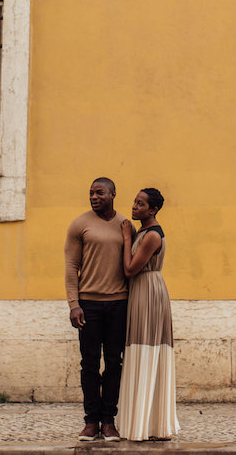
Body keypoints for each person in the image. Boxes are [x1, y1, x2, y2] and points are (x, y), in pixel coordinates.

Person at [64, 177, 128, 442]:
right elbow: (71, 267)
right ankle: (91, 422)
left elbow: (131, 265)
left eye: (99, 192)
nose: (93, 196)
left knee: (114, 363)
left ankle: (109, 422)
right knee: (89, 364)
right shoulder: (80, 224)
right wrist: (73, 304)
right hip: (88, 305)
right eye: (91, 193)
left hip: (119, 304)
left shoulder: (125, 225)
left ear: (113, 193)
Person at [115, 187, 179, 441]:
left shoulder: (152, 235)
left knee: (147, 350)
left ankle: (149, 425)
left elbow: (130, 269)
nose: (134, 206)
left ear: (152, 209)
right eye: (134, 201)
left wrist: (127, 238)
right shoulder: (144, 231)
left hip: (148, 291)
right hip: (142, 291)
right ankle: (143, 421)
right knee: (139, 350)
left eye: (140, 204)